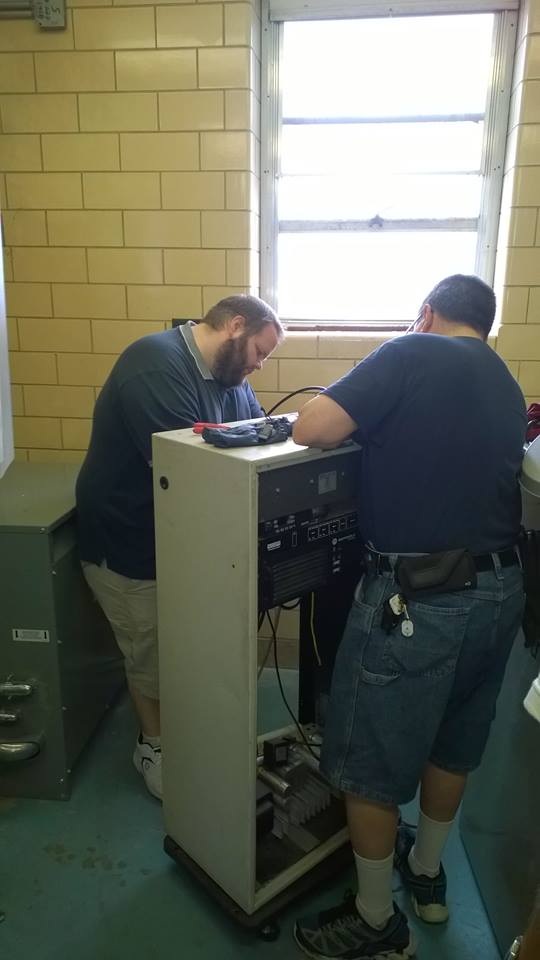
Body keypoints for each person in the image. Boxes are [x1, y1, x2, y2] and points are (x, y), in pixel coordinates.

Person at [291, 274, 526, 959]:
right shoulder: (504, 379)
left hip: (420, 599)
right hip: (500, 592)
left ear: (426, 313)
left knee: (368, 759)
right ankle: (425, 873)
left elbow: (311, 427)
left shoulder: (409, 350)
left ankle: (375, 922)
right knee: (453, 741)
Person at [76, 295, 283, 800]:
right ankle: (153, 745)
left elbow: (262, 437)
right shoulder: (154, 364)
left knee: (188, 649)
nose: (259, 365)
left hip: (185, 541)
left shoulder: (231, 380)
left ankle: (189, 736)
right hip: (130, 543)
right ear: (236, 325)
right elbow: (189, 473)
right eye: (260, 351)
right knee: (152, 654)